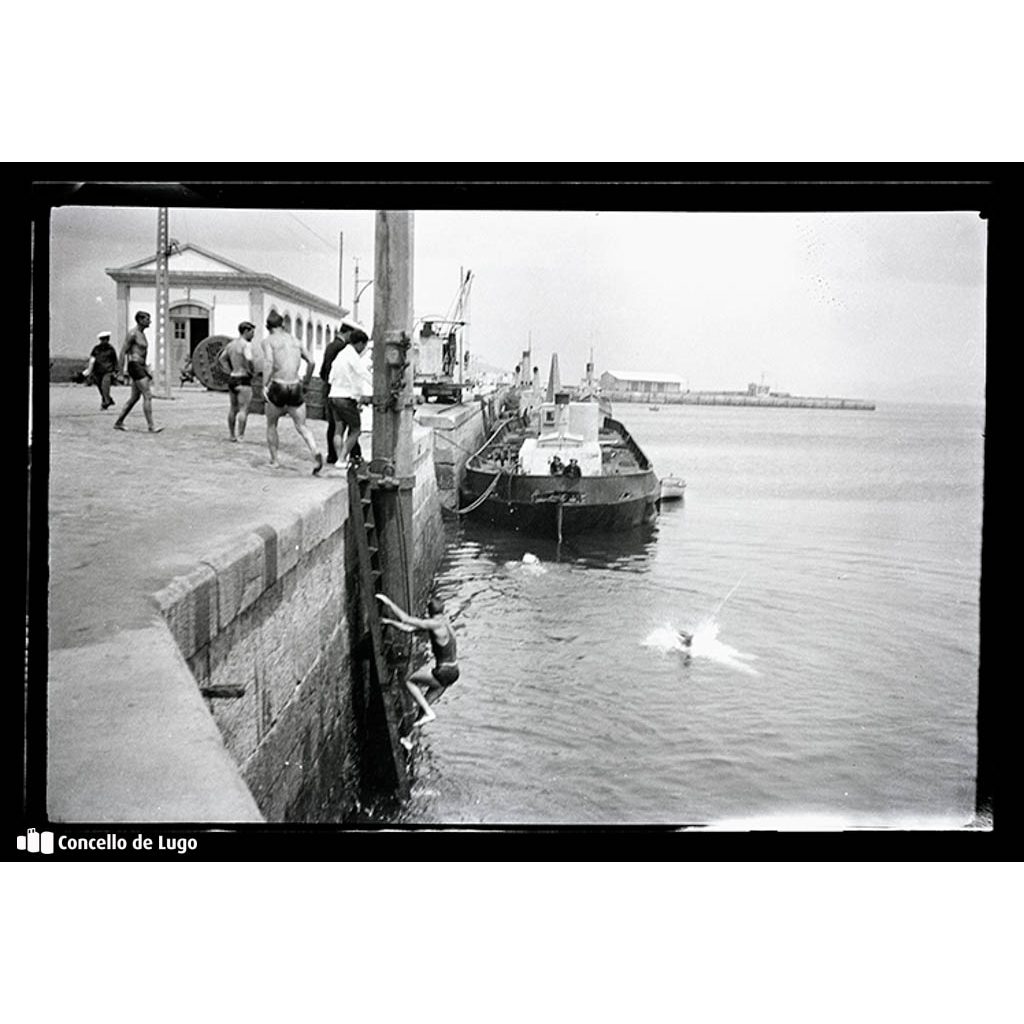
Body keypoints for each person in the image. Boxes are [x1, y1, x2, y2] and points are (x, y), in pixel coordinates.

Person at [376, 593, 459, 749]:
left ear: (429, 613)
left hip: (443, 672)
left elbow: (406, 619)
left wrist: (388, 602)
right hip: (454, 672)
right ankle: (410, 740)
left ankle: (429, 713)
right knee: (423, 708)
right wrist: (389, 622)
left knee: (409, 680)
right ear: (443, 610)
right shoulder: (444, 622)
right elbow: (409, 629)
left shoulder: (434, 624)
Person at [259, 310, 324, 473]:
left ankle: (274, 461)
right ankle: (315, 451)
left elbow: (268, 362)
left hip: (278, 386)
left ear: (268, 327)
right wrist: (307, 382)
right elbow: (311, 362)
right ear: (283, 325)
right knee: (302, 426)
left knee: (272, 424)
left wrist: (264, 385)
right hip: (295, 386)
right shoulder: (296, 341)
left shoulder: (268, 341)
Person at [327, 328, 372, 471]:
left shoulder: (341, 355)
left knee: (339, 429)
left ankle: (340, 459)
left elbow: (330, 377)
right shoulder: (352, 356)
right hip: (346, 398)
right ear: (359, 343)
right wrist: (379, 385)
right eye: (363, 346)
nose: (363, 350)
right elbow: (362, 373)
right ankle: (341, 459)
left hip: (333, 395)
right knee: (356, 430)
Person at [319, 319, 362, 465]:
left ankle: (334, 455)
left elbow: (323, 371)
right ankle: (349, 455)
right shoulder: (343, 348)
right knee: (350, 426)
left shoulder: (331, 345)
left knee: (335, 425)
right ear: (349, 333)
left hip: (330, 390)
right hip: (342, 392)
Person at [113, 311, 162, 433]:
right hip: (134, 366)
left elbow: (143, 354)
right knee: (147, 395)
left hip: (140, 366)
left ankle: (119, 422)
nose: (149, 321)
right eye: (147, 319)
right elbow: (123, 352)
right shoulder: (132, 334)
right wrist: (120, 372)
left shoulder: (142, 334)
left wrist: (146, 370)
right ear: (140, 320)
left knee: (134, 398)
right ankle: (151, 426)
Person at [217, 321, 257, 442]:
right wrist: (251, 370)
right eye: (252, 332)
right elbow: (249, 358)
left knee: (233, 408)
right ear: (246, 331)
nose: (253, 335)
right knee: (244, 409)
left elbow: (221, 358)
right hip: (243, 378)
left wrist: (229, 370)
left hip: (233, 377)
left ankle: (231, 435)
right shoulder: (246, 345)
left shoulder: (231, 345)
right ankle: (240, 435)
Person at [84, 330, 119, 409]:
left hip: (107, 371)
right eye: (103, 339)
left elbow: (114, 360)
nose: (104, 341)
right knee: (100, 388)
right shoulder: (96, 349)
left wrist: (116, 371)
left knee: (105, 386)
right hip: (97, 371)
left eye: (106, 339)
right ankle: (108, 400)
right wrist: (89, 370)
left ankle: (106, 402)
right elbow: (92, 359)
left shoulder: (111, 349)